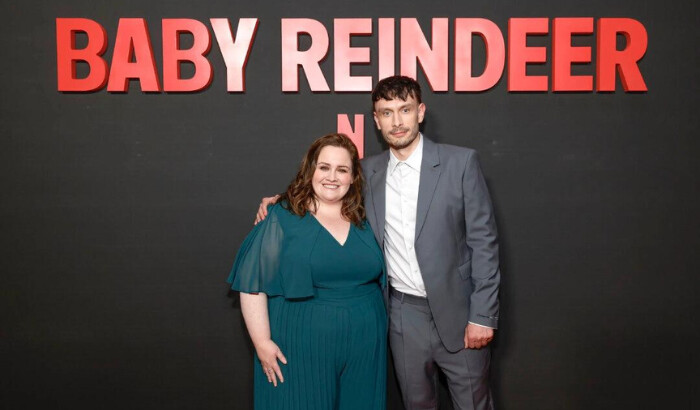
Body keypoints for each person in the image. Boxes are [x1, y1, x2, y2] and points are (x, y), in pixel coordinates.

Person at [257, 76, 500, 410]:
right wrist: (280, 202)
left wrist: (483, 316)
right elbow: (327, 187)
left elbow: (484, 242)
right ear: (376, 120)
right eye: (386, 113)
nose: (397, 121)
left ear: (421, 112)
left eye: (405, 110)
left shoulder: (460, 164)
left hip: (459, 314)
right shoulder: (366, 172)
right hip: (401, 315)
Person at [228, 133, 387, 410]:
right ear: (310, 170)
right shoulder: (282, 216)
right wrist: (262, 342)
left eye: (342, 170)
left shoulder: (366, 216)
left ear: (353, 178)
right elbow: (252, 284)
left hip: (365, 343)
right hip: (300, 342)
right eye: (324, 167)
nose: (332, 177)